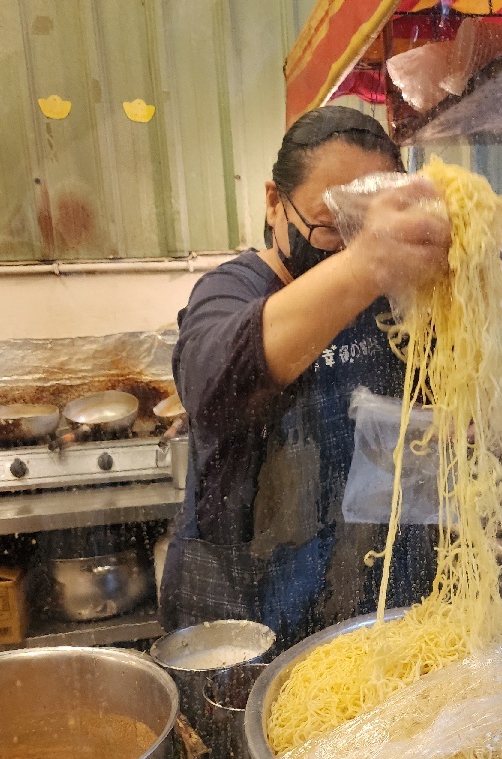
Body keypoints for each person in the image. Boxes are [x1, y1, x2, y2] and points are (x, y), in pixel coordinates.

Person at [160, 106, 451, 647]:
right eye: (329, 224)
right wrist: (367, 263)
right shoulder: (233, 290)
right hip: (246, 606)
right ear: (274, 202)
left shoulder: (397, 300)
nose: (348, 244)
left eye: (364, 226)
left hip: (365, 593)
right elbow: (211, 383)